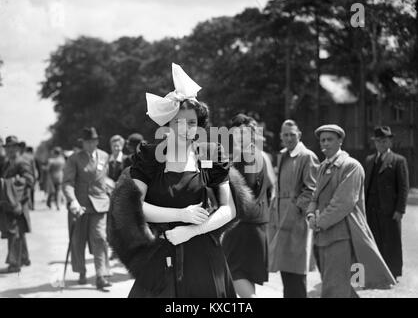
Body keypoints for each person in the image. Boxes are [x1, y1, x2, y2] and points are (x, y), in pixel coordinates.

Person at [109, 63, 239, 298]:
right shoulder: (150, 156)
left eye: (191, 123)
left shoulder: (210, 155)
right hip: (160, 252)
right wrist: (180, 216)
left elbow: (228, 209)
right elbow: (135, 206)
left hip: (204, 257)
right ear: (168, 123)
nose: (185, 128)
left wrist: (193, 230)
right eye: (178, 122)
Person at [306, 124, 396, 297]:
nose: (325, 143)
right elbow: (314, 197)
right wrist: (310, 214)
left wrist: (318, 222)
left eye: (330, 139)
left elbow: (343, 202)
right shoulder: (322, 167)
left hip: (344, 235)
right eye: (322, 140)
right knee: (341, 287)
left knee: (335, 289)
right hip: (323, 236)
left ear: (340, 141)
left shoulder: (351, 166)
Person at [221, 113, 275, 298]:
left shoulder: (247, 155)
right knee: (243, 276)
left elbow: (246, 189)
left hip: (244, 225)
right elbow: (268, 191)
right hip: (255, 224)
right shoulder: (257, 154)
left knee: (234, 272)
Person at [268, 119, 319, 298]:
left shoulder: (307, 156)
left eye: (292, 134)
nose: (289, 138)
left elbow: (311, 190)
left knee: (297, 271)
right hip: (280, 219)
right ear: (281, 137)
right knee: (285, 270)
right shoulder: (282, 155)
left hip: (296, 220)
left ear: (299, 135)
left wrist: (296, 210)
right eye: (285, 135)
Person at [63, 127, 112, 290]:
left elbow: (104, 178)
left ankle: (101, 275)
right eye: (87, 142)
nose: (91, 144)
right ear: (83, 143)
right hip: (80, 206)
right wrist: (73, 201)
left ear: (97, 141)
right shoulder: (74, 159)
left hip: (100, 204)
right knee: (78, 241)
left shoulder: (105, 156)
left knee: (100, 238)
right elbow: (67, 183)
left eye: (93, 141)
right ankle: (81, 271)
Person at [364, 126, 409, 280]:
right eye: (377, 141)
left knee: (391, 241)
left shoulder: (398, 160)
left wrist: (400, 210)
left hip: (389, 210)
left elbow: (403, 187)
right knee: (373, 240)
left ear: (390, 142)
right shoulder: (370, 160)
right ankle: (375, 272)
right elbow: (365, 185)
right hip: (371, 208)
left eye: (384, 141)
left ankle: (393, 273)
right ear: (374, 143)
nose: (380, 144)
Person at [0, 136, 35, 273]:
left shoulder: (22, 162)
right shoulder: (8, 163)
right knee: (17, 231)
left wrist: (11, 183)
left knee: (14, 233)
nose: (10, 150)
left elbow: (30, 180)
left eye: (13, 147)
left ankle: (15, 263)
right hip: (11, 203)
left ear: (18, 148)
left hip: (18, 203)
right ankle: (24, 258)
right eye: (8, 148)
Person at [46, 147, 66, 211]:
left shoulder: (51, 160)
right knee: (58, 191)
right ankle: (58, 205)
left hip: (52, 177)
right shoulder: (62, 160)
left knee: (52, 191)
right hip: (60, 177)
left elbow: (47, 169)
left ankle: (49, 202)